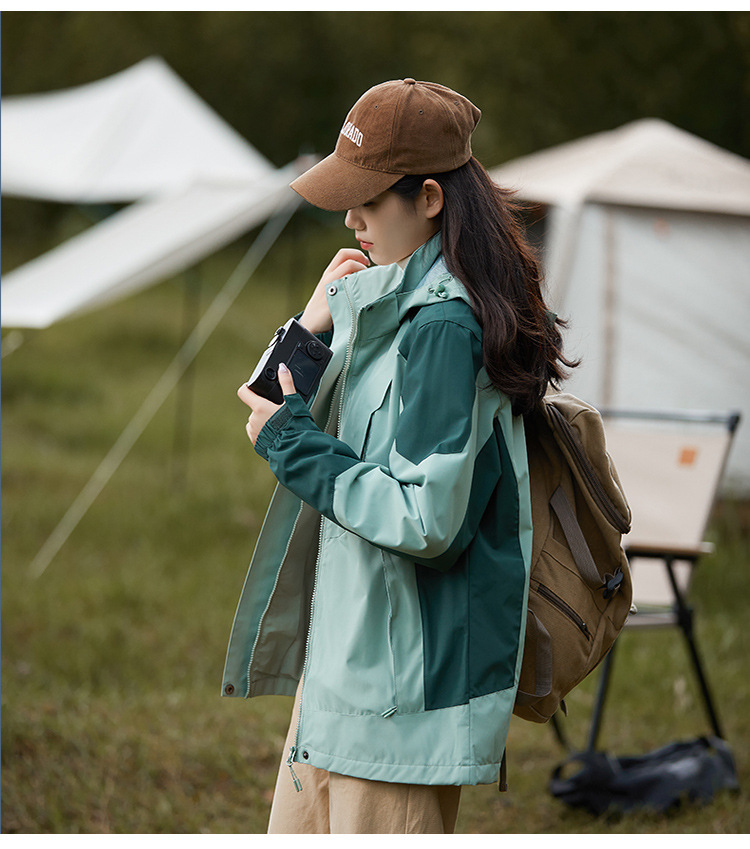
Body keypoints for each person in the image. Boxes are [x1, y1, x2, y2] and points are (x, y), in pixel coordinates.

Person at [223, 78, 575, 834]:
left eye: (367, 199)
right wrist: (312, 322)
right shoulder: (389, 300)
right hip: (341, 678)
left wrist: (296, 446)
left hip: (399, 705)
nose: (350, 218)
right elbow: (261, 405)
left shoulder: (443, 327)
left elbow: (425, 518)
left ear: (430, 198)